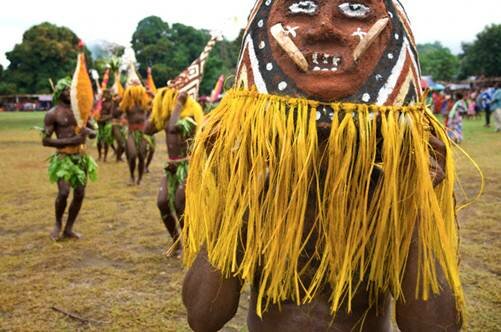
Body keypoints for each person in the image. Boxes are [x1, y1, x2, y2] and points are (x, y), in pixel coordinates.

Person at [181, 1, 464, 331]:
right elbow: (203, 318)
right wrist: (238, 198)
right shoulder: (261, 180)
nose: (324, 29)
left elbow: (435, 327)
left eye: (354, 9)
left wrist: (418, 199)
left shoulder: (388, 184)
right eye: (302, 8)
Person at [145, 89, 204, 257]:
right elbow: (147, 130)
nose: (172, 101)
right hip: (171, 167)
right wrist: (155, 107)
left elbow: (172, 128)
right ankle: (176, 240)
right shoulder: (169, 116)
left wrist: (179, 104)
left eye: (175, 97)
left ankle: (189, 242)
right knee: (162, 202)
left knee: (180, 202)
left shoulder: (190, 117)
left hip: (188, 165)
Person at [42, 78, 97, 240]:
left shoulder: (82, 110)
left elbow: (93, 131)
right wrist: (70, 141)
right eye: (66, 89)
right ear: (59, 92)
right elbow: (45, 141)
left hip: (80, 158)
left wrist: (88, 131)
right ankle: (58, 223)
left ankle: (69, 228)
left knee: (79, 193)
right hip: (63, 159)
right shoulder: (52, 114)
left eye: (71, 89)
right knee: (64, 192)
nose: (70, 92)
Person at [119, 84, 150, 185]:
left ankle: (139, 178)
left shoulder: (145, 103)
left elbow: (155, 105)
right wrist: (123, 119)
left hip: (143, 132)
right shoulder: (127, 104)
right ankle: (132, 175)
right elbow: (122, 113)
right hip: (131, 132)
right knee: (132, 155)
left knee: (141, 155)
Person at [96, 90, 115, 161]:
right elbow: (97, 112)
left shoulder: (111, 103)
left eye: (107, 94)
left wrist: (103, 118)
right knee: (98, 140)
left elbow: (111, 115)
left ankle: (105, 157)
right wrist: (97, 117)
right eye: (104, 94)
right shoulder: (101, 103)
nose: (105, 95)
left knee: (106, 140)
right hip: (100, 123)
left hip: (107, 123)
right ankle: (99, 155)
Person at [110, 93, 126, 162]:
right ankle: (118, 156)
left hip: (122, 125)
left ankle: (118, 157)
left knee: (124, 144)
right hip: (115, 125)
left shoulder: (121, 105)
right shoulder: (112, 106)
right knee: (121, 143)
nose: (119, 98)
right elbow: (115, 113)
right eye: (116, 97)